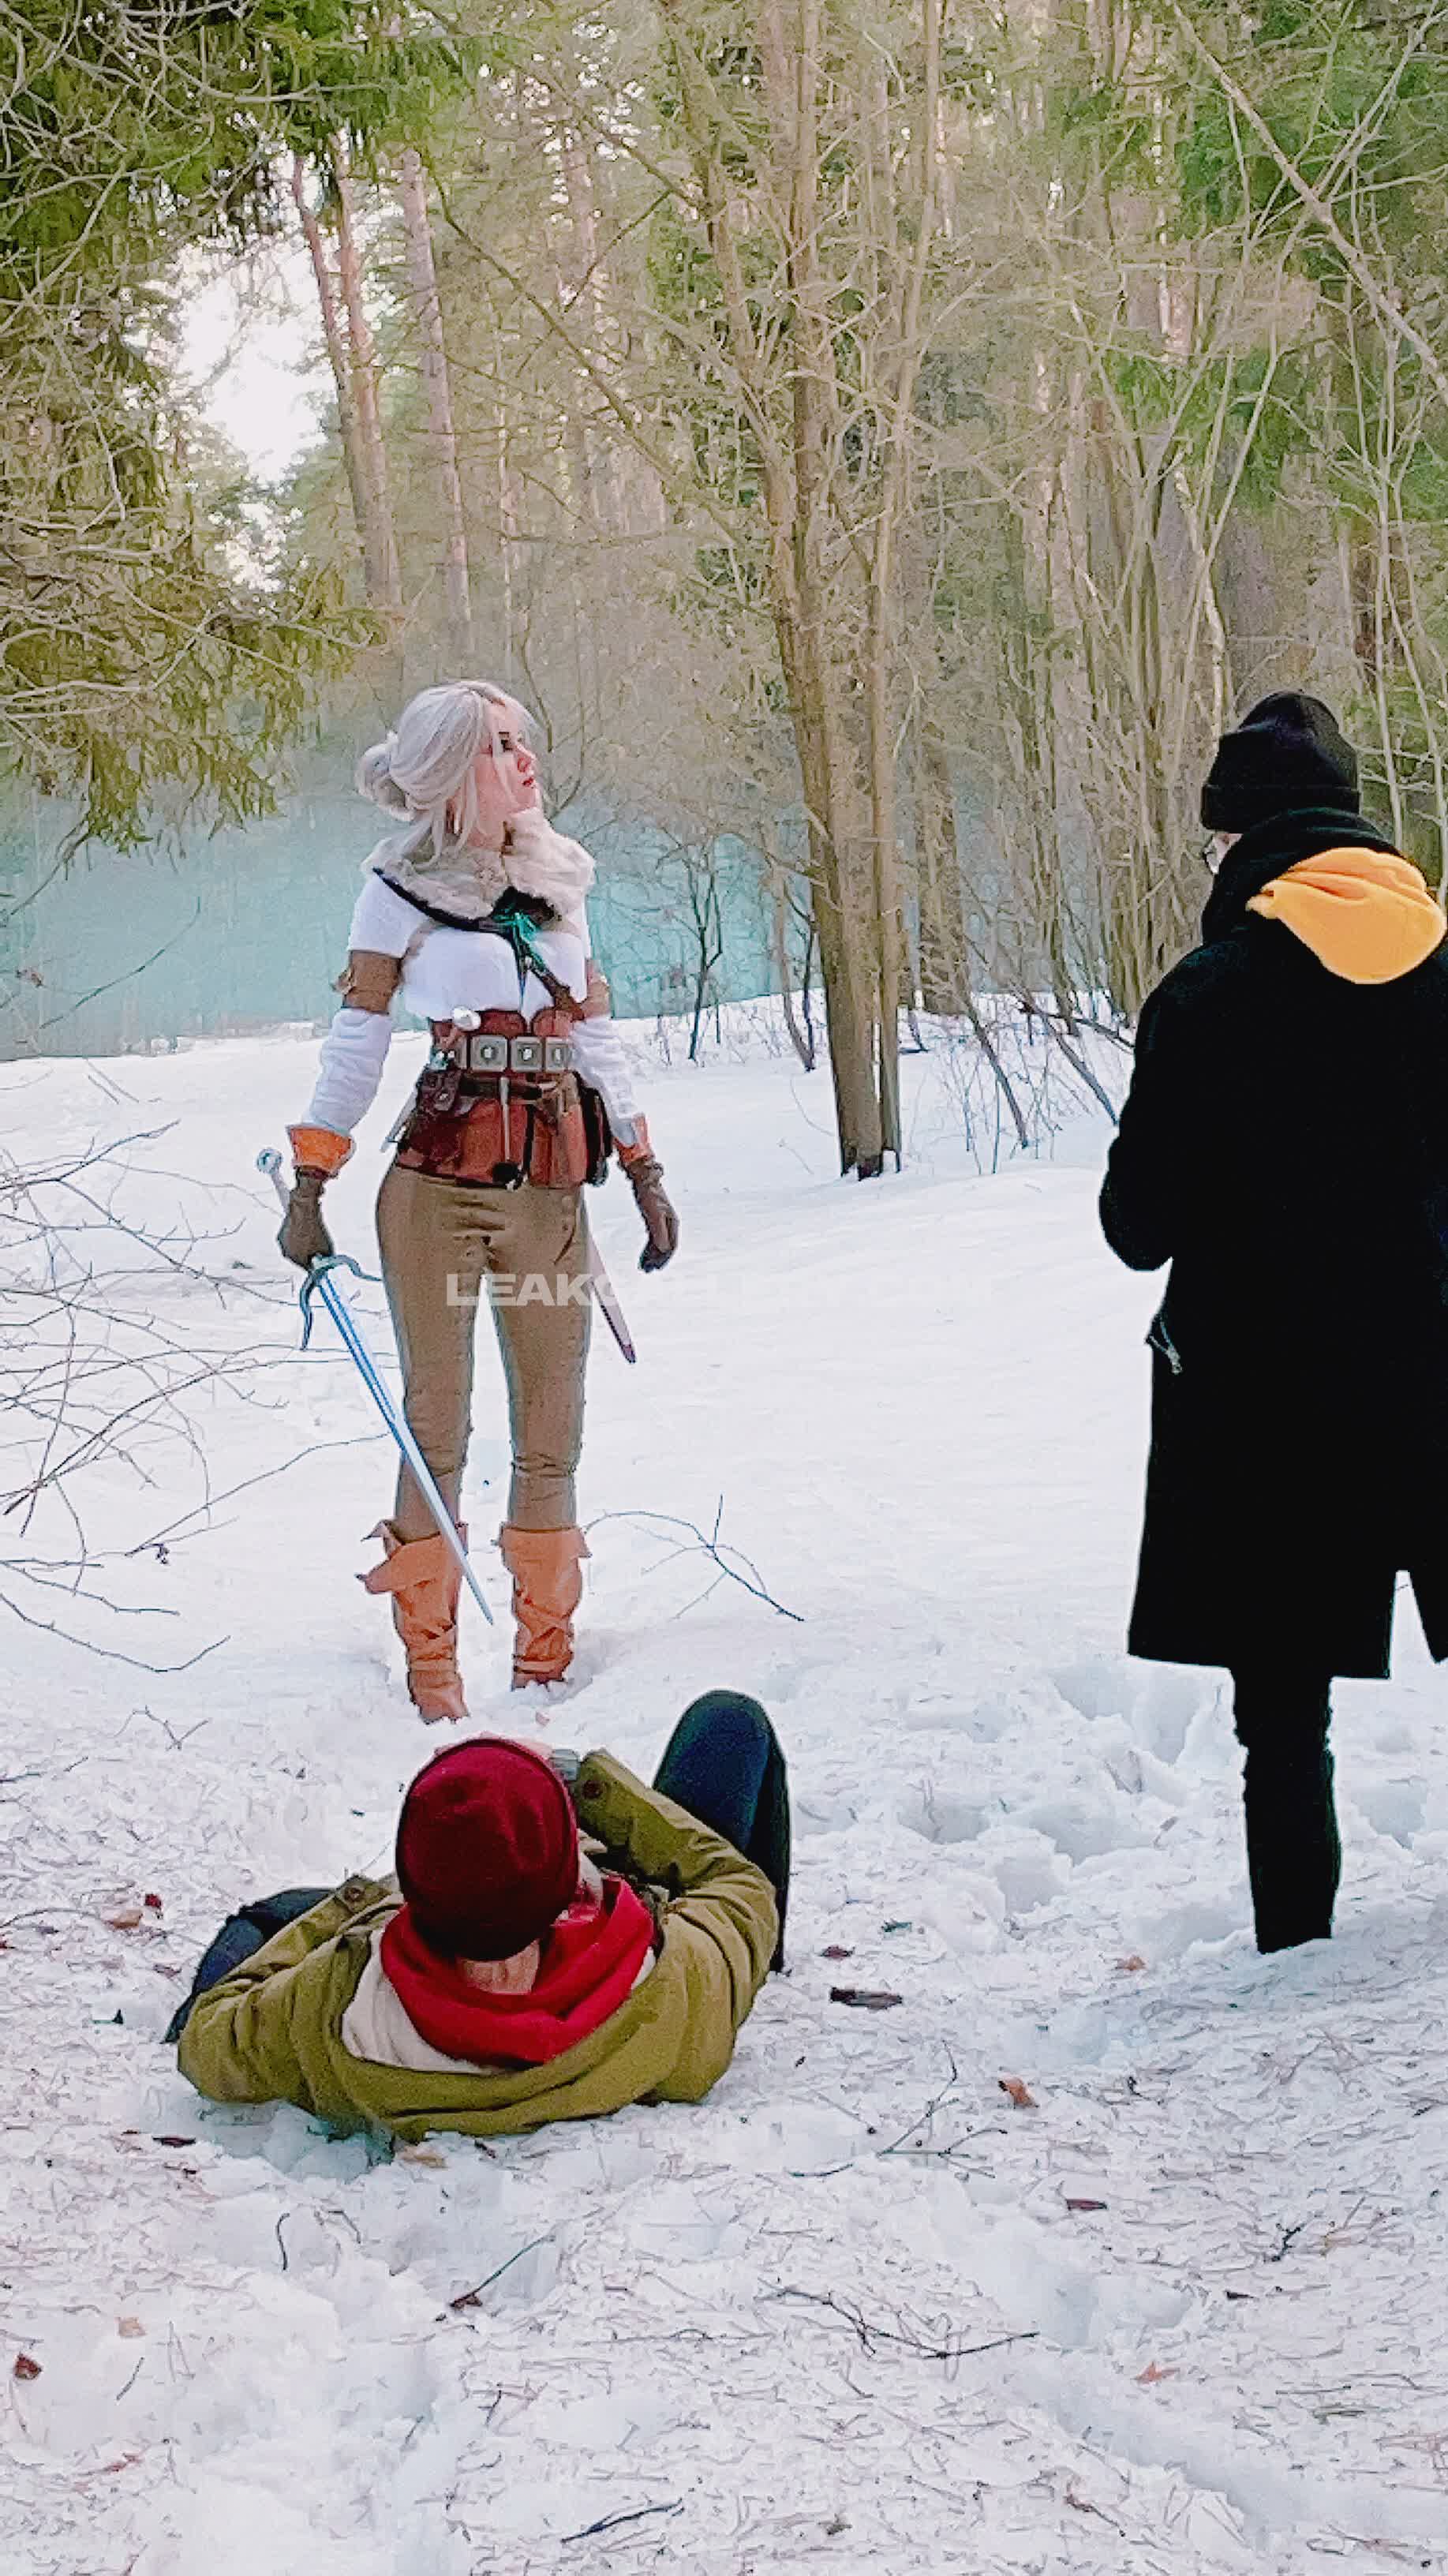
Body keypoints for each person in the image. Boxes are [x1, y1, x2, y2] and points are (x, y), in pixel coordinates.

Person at [1100, 691, 1448, 1952]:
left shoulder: (1207, 996)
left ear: (1238, 844)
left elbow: (1136, 1225)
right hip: (1436, 1372)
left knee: (1284, 1715)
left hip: (1266, 1400)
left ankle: (1293, 1958)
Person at [275, 680, 679, 1712]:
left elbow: (593, 1036)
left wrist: (641, 1165)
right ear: (453, 770)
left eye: (520, 740)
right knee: (435, 1421)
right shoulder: (394, 889)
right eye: (499, 745)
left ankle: (544, 1658)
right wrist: (313, 1176)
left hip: (546, 1193)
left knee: (551, 1419)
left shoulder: (559, 881)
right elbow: (358, 1039)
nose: (524, 759)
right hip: (434, 1192)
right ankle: (431, 1665)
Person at [172, 1694, 788, 2139]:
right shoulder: (677, 1978)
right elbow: (738, 1884)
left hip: (446, 1942)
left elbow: (208, 2041)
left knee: (272, 1916)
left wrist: (372, 1903)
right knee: (729, 1721)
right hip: (612, 1938)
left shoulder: (334, 2005)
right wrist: (575, 1780)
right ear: (566, 1876)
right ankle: (766, 1964)